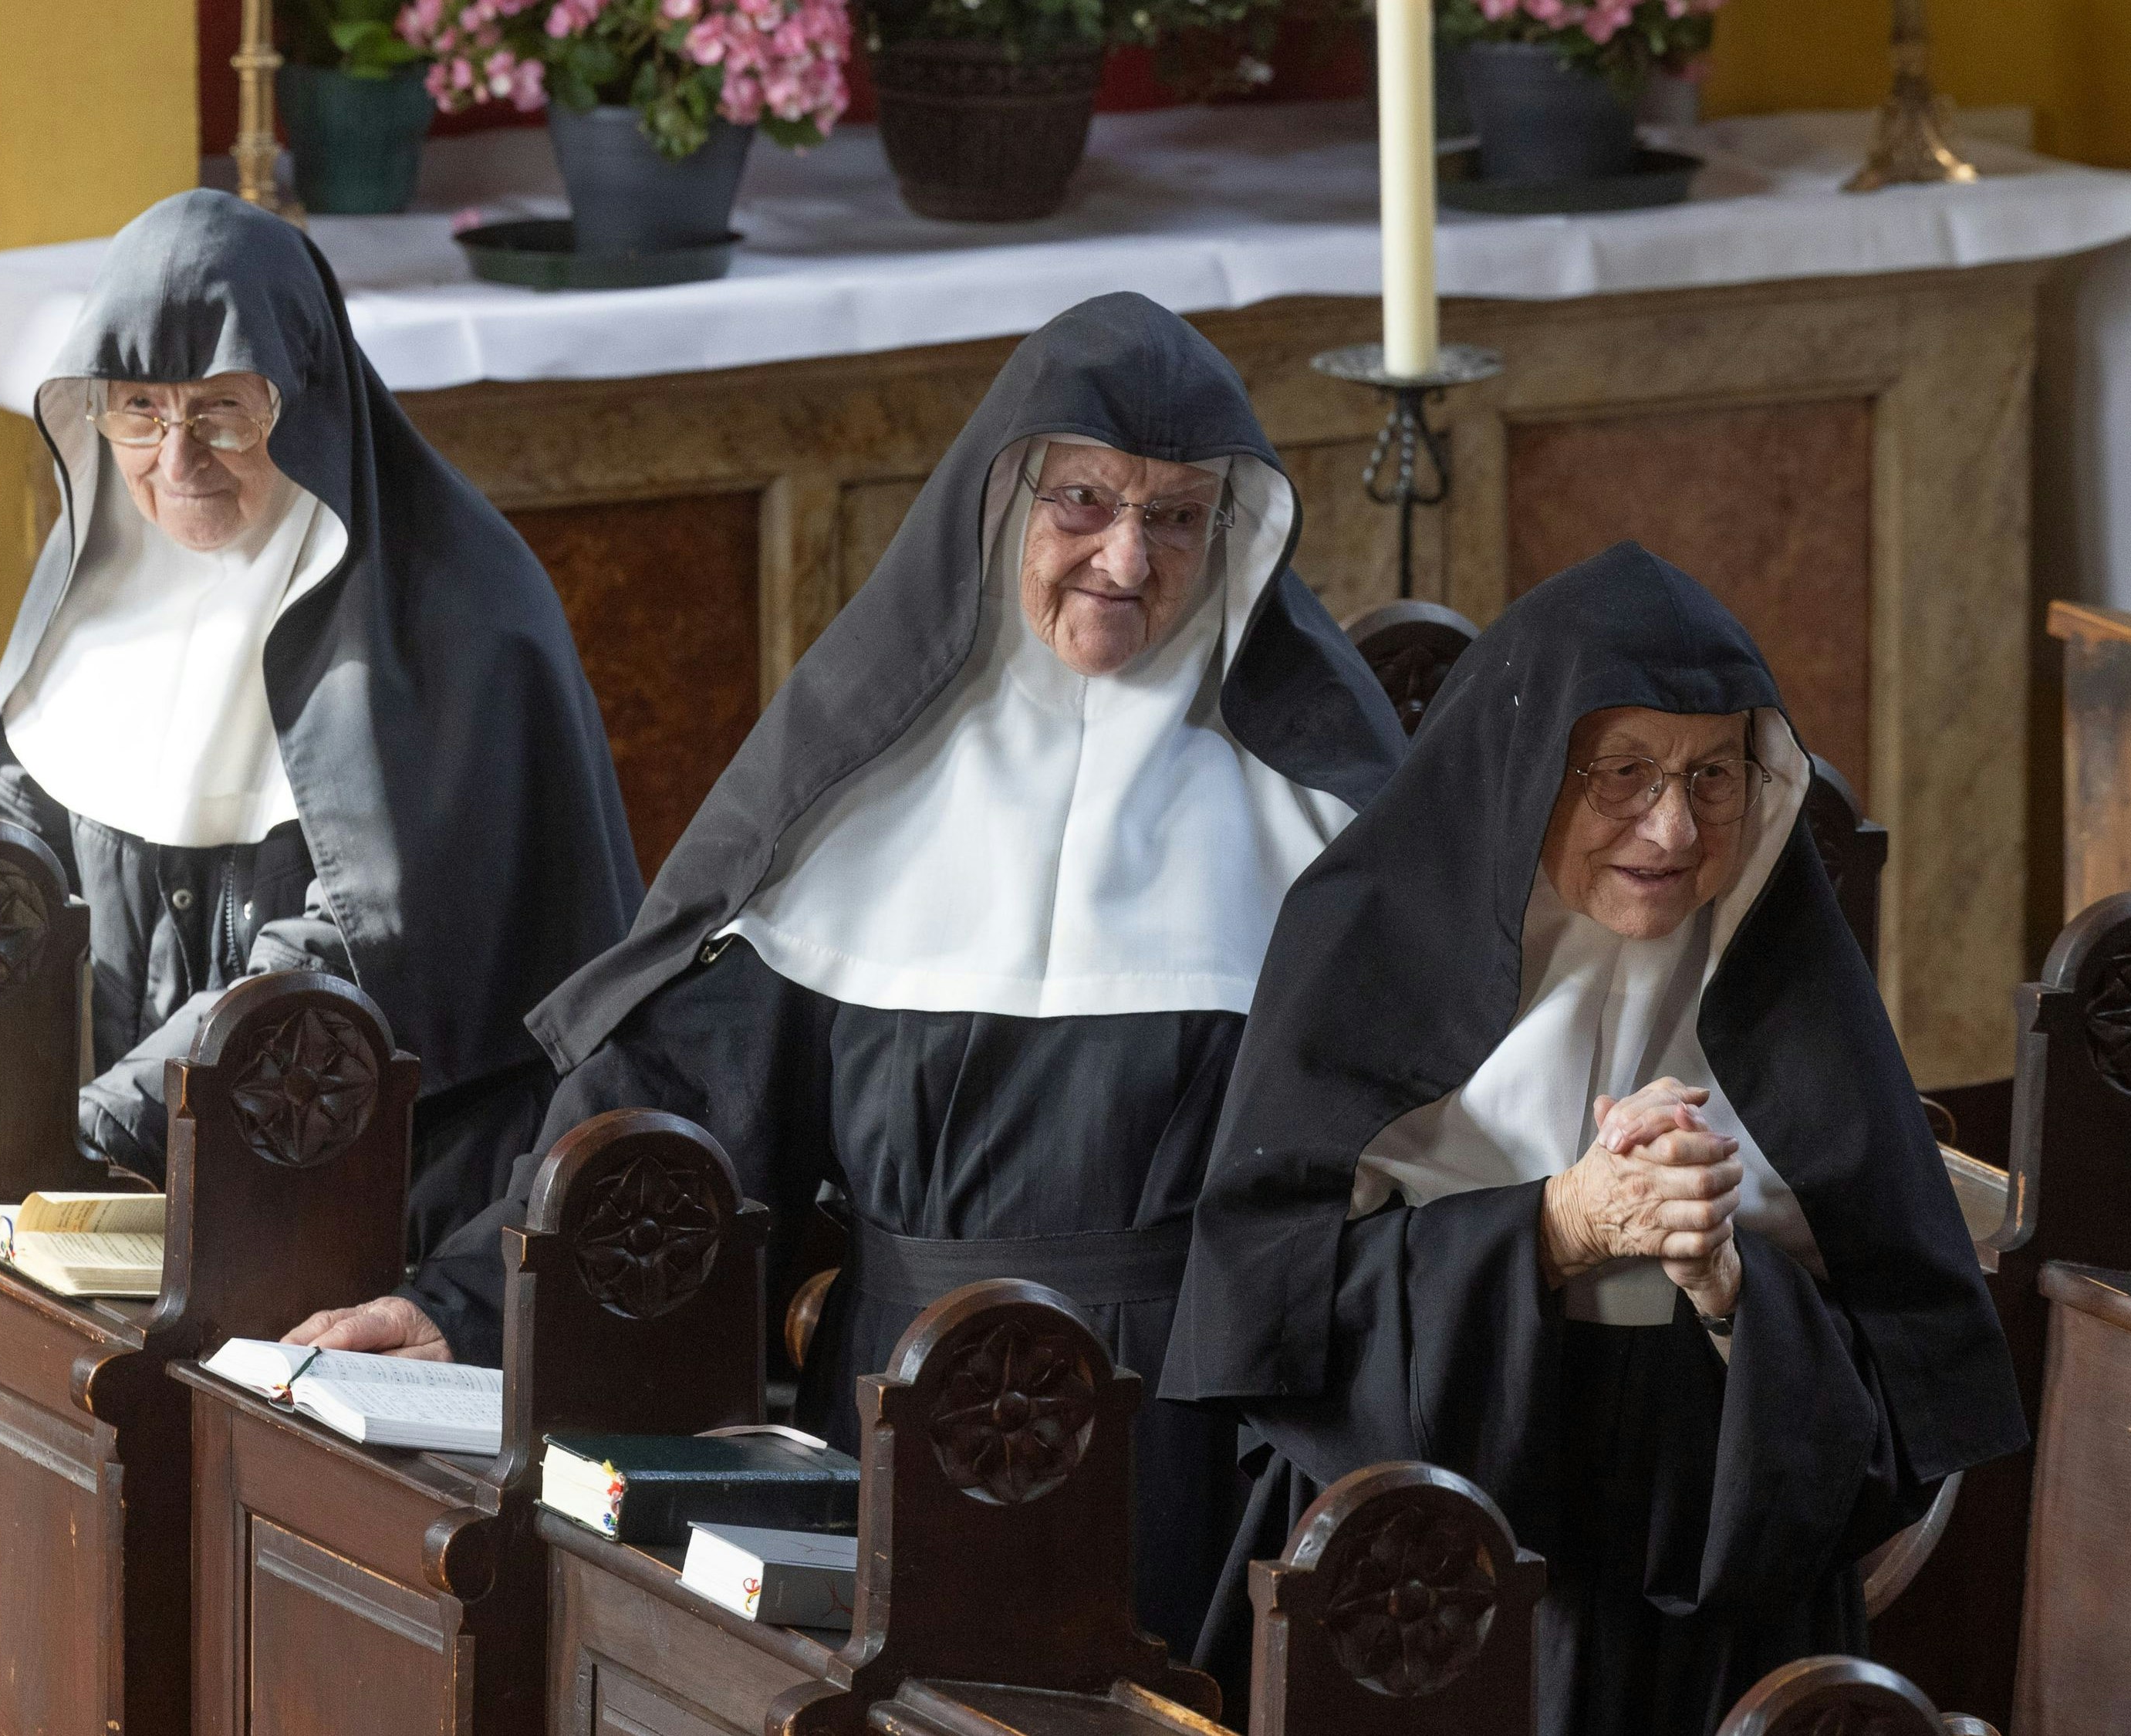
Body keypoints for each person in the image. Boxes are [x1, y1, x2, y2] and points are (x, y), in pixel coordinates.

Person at [284, 292, 1408, 1651]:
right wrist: (459, 1307)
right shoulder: (862, 796)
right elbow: (666, 1124)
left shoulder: (1318, 825)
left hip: (1185, 1455)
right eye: (1086, 501)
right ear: (998, 505)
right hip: (885, 1431)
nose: (1127, 554)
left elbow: (1419, 1154)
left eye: (1178, 517)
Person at [0, 190, 641, 1248]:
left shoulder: (461, 620)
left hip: (390, 1207)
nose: (176, 459)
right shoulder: (105, 583)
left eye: (225, 412)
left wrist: (90, 1140)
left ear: (310, 398)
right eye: (140, 411)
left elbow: (357, 958)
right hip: (108, 1180)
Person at [1160, 542, 2026, 1734]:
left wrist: (1729, 1290)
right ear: (1525, 774)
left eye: (1713, 774)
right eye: (1622, 771)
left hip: (1710, 1593)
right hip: (1416, 1584)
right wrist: (1559, 1224)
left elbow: (1896, 1402)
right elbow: (1271, 1317)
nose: (1672, 828)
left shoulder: (1791, 990)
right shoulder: (1363, 944)